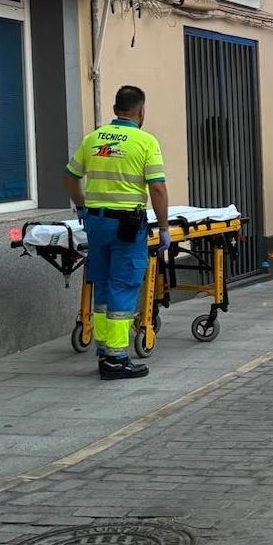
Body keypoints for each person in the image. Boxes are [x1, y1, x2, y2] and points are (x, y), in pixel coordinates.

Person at [64, 86, 170, 380]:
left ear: (114, 109)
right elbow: (157, 188)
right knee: (123, 285)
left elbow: (70, 176)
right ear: (141, 111)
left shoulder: (93, 138)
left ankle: (103, 350)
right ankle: (116, 359)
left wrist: (82, 207)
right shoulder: (145, 141)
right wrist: (163, 228)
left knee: (103, 284)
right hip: (127, 225)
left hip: (96, 223)